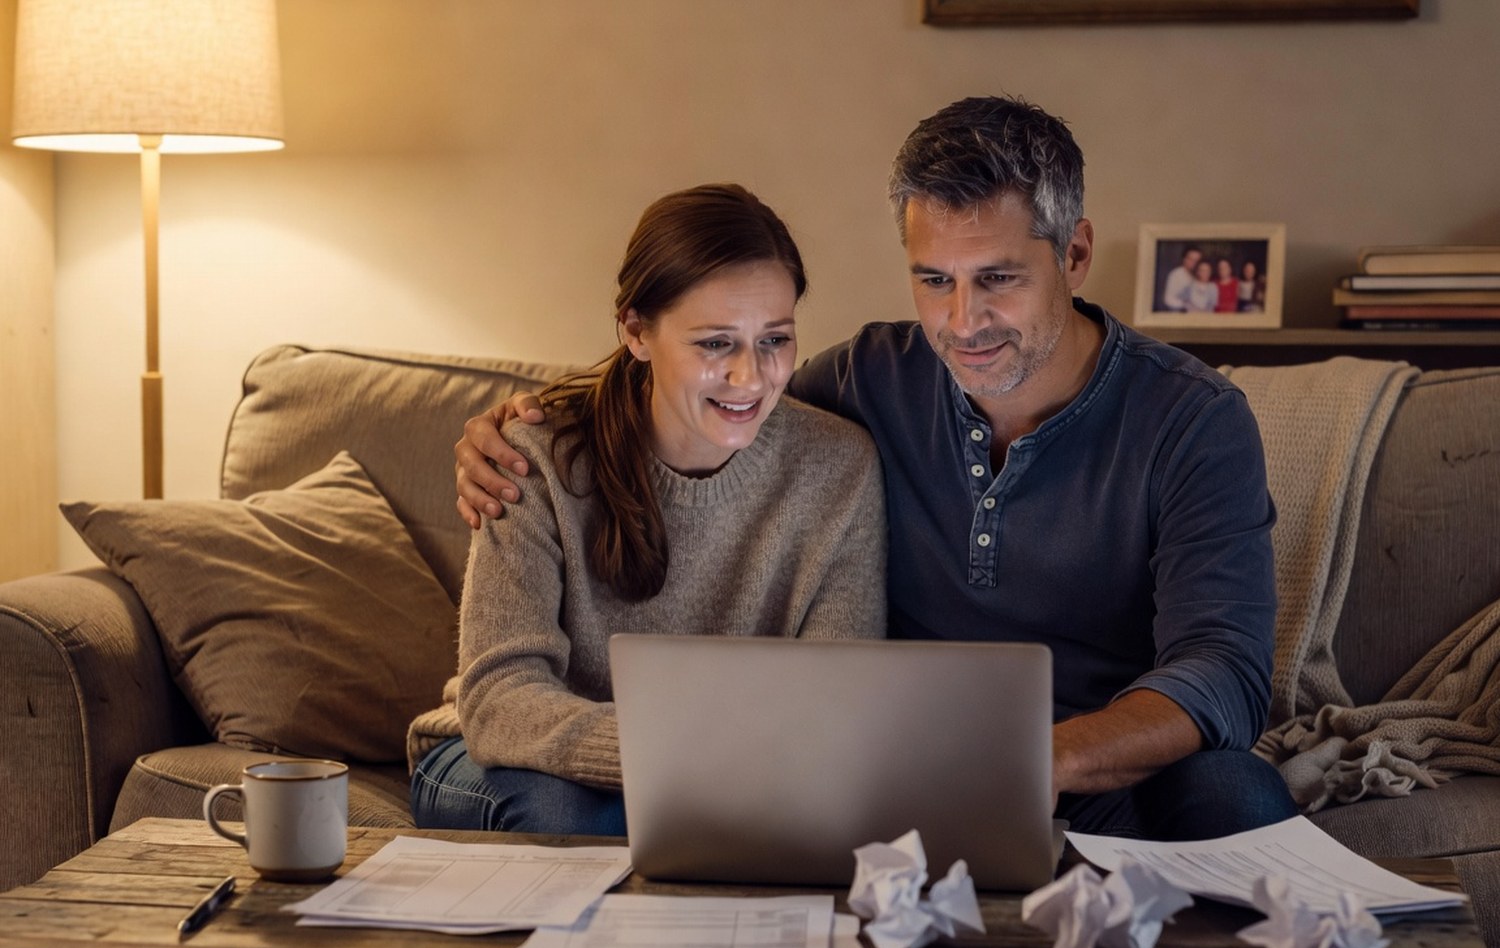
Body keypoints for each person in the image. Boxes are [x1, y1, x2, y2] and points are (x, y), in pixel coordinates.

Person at [455, 97, 1298, 842]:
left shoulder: (1193, 420)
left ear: (1074, 256)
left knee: (1237, 795)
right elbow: (711, 393)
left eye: (997, 278)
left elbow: (1222, 670)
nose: (963, 322)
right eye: (934, 280)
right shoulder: (870, 379)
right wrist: (518, 423)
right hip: (897, 775)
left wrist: (1043, 759)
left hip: (1096, 771)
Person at [409, 183, 888, 836]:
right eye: (716, 344)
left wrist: (707, 763)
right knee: (575, 814)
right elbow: (498, 703)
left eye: (775, 340)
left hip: (722, 772)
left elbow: (836, 704)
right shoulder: (536, 457)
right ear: (636, 331)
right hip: (510, 764)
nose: (752, 377)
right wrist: (681, 752)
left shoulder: (839, 466)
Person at [1160, 246, 1201, 312]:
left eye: (1197, 261)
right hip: (1178, 313)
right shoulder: (1176, 274)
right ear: (1184, 259)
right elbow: (1168, 299)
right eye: (1191, 259)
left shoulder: (1196, 276)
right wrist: (1186, 305)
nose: (1194, 263)